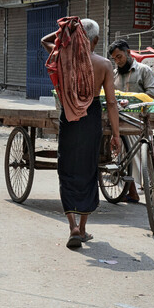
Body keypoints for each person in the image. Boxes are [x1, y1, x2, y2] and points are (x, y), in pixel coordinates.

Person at [41, 18, 121, 249]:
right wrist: (115, 134)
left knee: (67, 169)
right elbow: (113, 103)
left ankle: (72, 227)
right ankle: (83, 228)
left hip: (69, 116)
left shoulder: (63, 58)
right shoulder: (104, 64)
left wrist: (66, 32)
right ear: (95, 40)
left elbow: (45, 40)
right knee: (88, 170)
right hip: (91, 118)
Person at [108, 38, 154, 203]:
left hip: (139, 121)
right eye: (114, 58)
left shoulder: (143, 70)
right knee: (123, 157)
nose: (118, 61)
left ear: (128, 53)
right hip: (119, 122)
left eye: (119, 56)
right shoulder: (113, 74)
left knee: (141, 158)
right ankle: (133, 192)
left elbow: (152, 95)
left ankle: (148, 189)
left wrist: (132, 101)